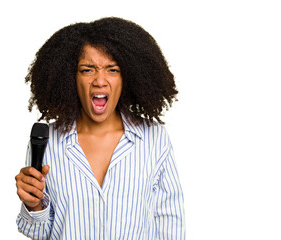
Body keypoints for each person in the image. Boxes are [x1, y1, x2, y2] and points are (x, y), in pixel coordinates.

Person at [15, 17, 185, 239]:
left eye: (112, 69)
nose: (100, 80)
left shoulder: (154, 139)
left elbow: (170, 223)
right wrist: (34, 205)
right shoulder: (47, 144)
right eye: (87, 70)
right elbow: (39, 233)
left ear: (128, 76)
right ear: (70, 77)